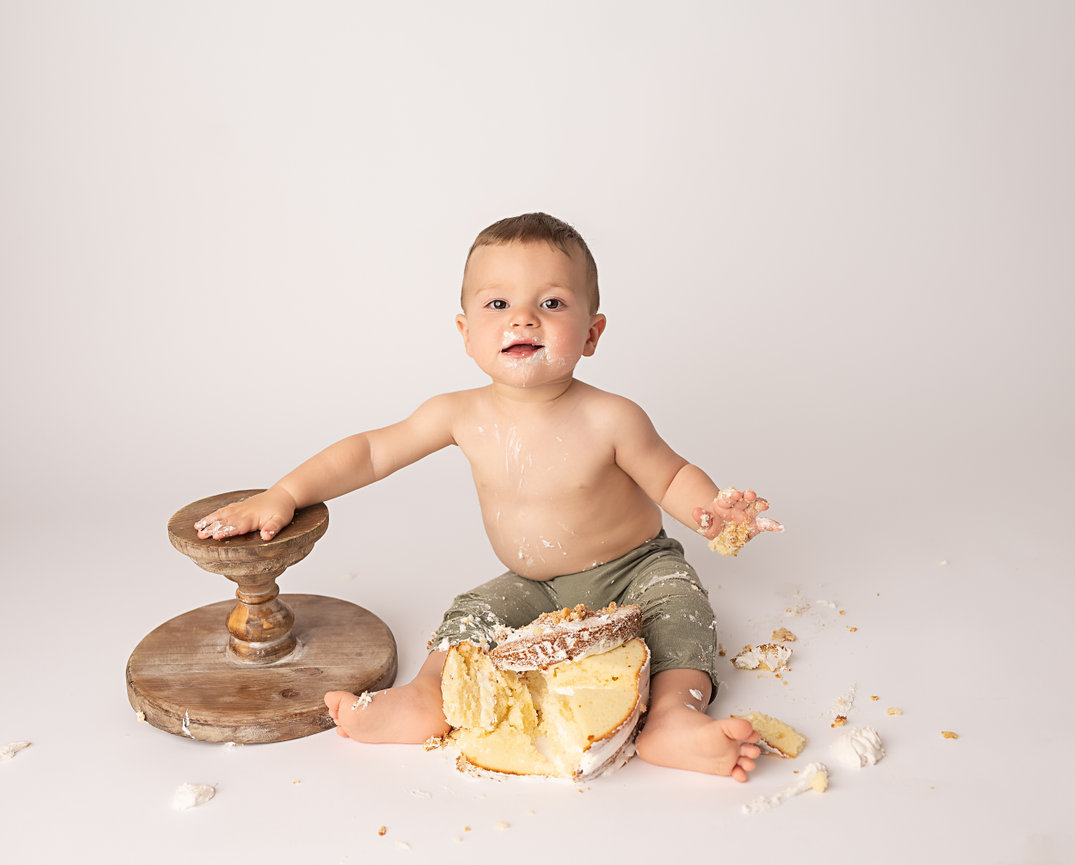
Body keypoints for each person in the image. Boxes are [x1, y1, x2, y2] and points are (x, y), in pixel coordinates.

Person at [193, 213, 782, 780]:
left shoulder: (612, 418)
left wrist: (712, 511)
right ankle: (427, 697)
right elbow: (371, 452)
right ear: (465, 331)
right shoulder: (458, 413)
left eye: (551, 303)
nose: (522, 319)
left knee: (682, 612)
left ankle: (674, 719)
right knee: (470, 614)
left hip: (635, 569)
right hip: (535, 584)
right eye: (498, 304)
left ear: (592, 333)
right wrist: (285, 492)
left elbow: (673, 476)